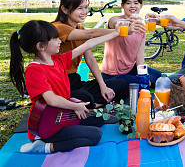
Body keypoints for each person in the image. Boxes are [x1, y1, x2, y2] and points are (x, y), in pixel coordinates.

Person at [9, 20, 122, 153]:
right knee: (95, 135)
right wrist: (75, 106)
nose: (60, 41)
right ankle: (44, 146)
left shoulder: (58, 60)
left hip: (64, 114)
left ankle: (64, 131)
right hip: (47, 124)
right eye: (55, 39)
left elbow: (88, 44)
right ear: (40, 46)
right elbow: (51, 100)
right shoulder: (34, 70)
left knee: (99, 119)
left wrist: (116, 33)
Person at [53, 0, 130, 108]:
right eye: (79, 8)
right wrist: (119, 32)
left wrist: (102, 86)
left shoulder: (80, 28)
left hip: (75, 82)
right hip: (59, 85)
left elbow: (90, 59)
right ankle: (90, 105)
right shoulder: (57, 28)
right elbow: (91, 34)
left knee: (121, 84)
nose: (84, 12)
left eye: (86, 7)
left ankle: (91, 105)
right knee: (85, 97)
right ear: (64, 9)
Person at [101, 0, 161, 88]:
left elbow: (140, 54)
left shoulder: (141, 27)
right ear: (122, 6)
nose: (132, 6)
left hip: (130, 70)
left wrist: (142, 74)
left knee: (163, 80)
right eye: (128, 3)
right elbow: (114, 22)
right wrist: (124, 23)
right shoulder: (115, 19)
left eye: (136, 3)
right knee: (143, 84)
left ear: (141, 6)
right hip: (111, 76)